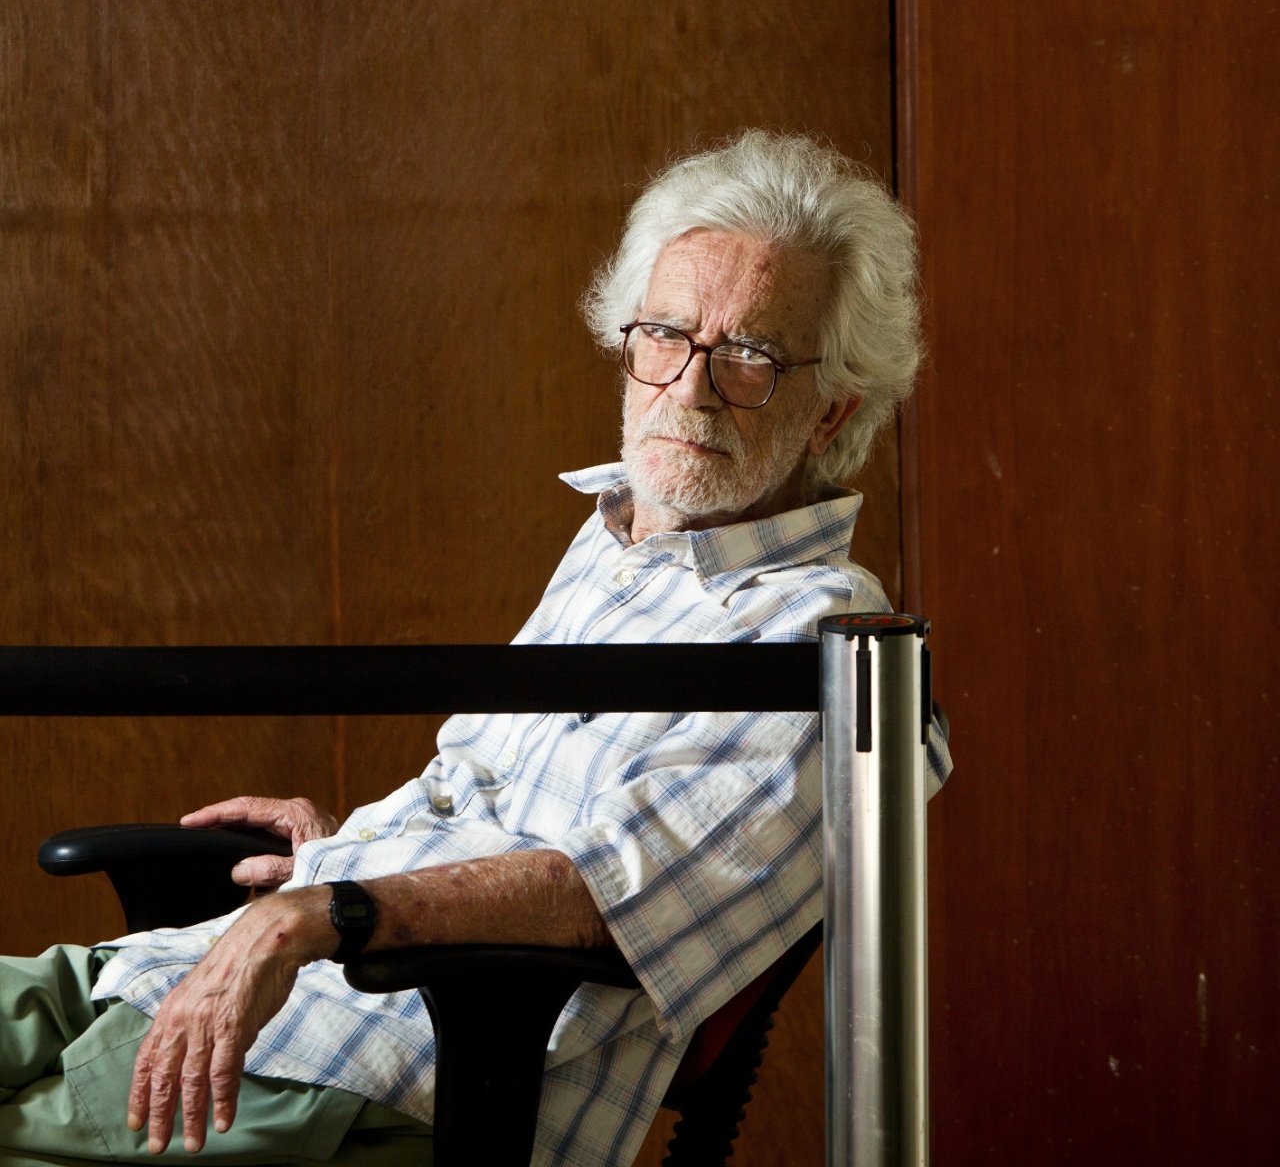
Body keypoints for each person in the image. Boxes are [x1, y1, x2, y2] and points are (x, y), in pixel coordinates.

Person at [0, 131, 951, 1167]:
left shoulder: (826, 650)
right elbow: (483, 794)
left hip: (354, 1075)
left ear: (834, 413)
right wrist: (343, 850)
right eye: (664, 336)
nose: (687, 388)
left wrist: (318, 913)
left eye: (750, 358)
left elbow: (599, 890)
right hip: (187, 972)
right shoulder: (621, 540)